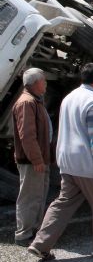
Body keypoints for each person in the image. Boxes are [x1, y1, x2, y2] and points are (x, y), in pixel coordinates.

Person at [28, 63, 93, 261]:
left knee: (63, 203)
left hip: (68, 161)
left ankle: (41, 244)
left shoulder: (70, 98)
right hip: (88, 164)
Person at [12, 68, 52, 247]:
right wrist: (36, 160)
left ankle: (33, 230)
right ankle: (24, 234)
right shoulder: (27, 103)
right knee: (29, 196)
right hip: (31, 161)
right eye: (44, 80)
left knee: (37, 195)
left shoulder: (34, 101)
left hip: (38, 159)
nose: (46, 83)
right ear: (35, 83)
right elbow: (27, 135)